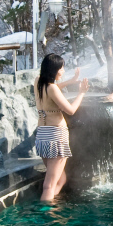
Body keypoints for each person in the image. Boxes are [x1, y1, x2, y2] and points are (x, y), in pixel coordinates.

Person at [34, 53, 89, 202]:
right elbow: (70, 110)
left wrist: (71, 81)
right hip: (56, 135)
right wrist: (81, 93)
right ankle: (45, 213)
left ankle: (52, 204)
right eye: (61, 68)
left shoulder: (38, 82)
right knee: (49, 185)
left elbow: (54, 89)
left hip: (42, 135)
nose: (63, 71)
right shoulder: (52, 88)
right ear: (53, 69)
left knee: (61, 179)